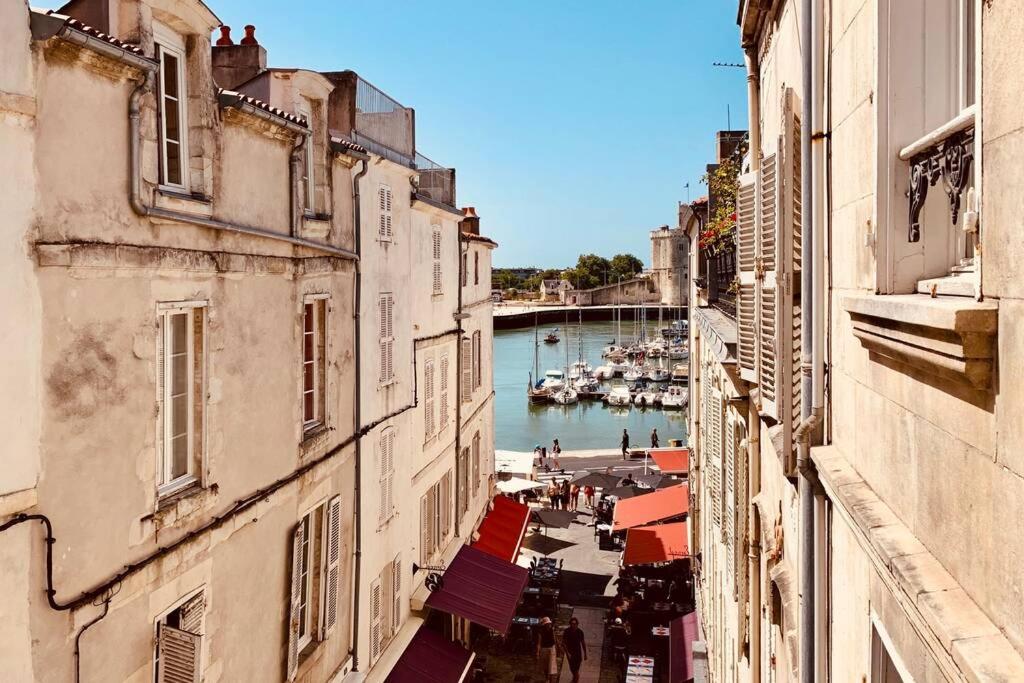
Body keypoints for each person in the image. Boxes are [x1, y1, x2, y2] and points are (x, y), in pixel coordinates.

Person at [560, 617, 587, 683]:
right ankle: (574, 679)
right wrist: (567, 653)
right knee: (572, 669)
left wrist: (585, 654)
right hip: (570, 654)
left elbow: (583, 643)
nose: (573, 625)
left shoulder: (580, 632)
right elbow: (563, 643)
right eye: (572, 624)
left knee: (576, 670)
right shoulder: (567, 631)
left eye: (575, 624)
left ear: (577, 624)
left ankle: (575, 680)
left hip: (578, 654)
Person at [536, 617, 559, 682]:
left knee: (551, 666)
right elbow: (539, 643)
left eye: (549, 624)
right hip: (544, 648)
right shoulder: (541, 632)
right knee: (545, 665)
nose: (548, 625)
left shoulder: (552, 629)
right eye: (547, 624)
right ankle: (547, 678)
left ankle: (550, 680)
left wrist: (557, 648)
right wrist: (537, 652)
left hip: (551, 648)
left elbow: (554, 639)